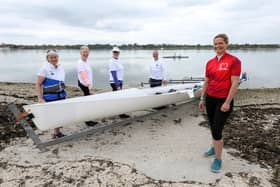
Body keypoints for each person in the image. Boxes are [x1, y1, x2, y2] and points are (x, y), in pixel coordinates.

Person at [199, 34, 241, 173]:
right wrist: (202, 99)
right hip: (210, 98)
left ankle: (218, 159)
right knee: (212, 125)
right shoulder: (210, 62)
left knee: (217, 129)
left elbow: (235, 83)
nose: (218, 46)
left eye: (220, 43)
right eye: (215, 44)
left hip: (223, 100)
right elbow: (206, 81)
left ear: (226, 44)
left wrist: (227, 102)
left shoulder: (234, 61)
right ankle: (214, 146)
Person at [36, 49, 67, 139]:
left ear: (58, 57)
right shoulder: (44, 68)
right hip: (50, 96)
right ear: (48, 58)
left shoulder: (60, 67)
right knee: (55, 114)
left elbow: (61, 81)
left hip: (61, 94)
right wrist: (40, 98)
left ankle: (57, 131)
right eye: (51, 57)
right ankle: (56, 133)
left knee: (60, 113)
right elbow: (38, 84)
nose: (54, 59)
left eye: (55, 57)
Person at [77, 45, 98, 126]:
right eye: (84, 52)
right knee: (87, 103)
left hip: (87, 85)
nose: (86, 53)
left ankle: (89, 119)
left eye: (87, 52)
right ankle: (87, 121)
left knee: (88, 102)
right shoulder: (80, 63)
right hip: (85, 85)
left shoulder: (86, 62)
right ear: (80, 53)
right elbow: (84, 76)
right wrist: (89, 88)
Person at [109, 46, 129, 118]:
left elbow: (120, 72)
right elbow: (113, 73)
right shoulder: (112, 61)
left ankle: (117, 111)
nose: (116, 53)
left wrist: (120, 82)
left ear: (119, 53)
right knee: (119, 97)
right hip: (115, 82)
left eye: (117, 52)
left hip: (119, 81)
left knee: (117, 97)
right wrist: (117, 85)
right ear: (112, 52)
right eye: (114, 52)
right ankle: (121, 113)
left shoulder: (118, 60)